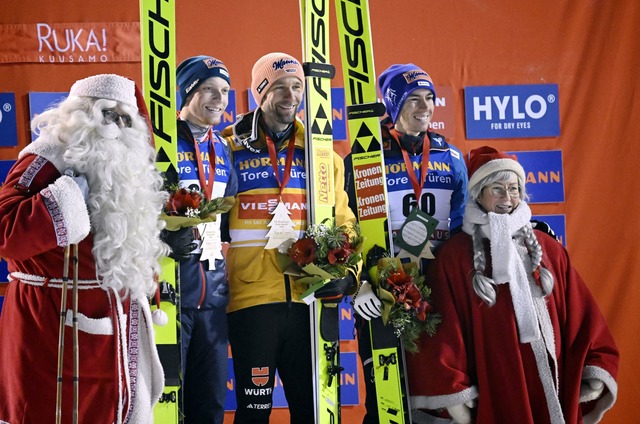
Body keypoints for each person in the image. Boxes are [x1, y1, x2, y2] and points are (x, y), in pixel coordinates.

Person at [407, 146, 619, 423]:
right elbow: (443, 333)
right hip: (495, 388)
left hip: (555, 388)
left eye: (514, 188)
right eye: (497, 189)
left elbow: (583, 317)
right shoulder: (454, 258)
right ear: (478, 194)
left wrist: (595, 367)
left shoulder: (549, 250)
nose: (507, 197)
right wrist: (454, 392)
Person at [0, 74, 167, 423]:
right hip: (50, 324)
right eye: (108, 115)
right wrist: (66, 198)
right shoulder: (46, 160)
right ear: (80, 115)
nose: (117, 127)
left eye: (126, 119)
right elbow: (6, 231)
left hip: (114, 322)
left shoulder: (128, 166)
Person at [221, 52, 359, 423]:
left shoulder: (320, 150)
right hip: (251, 298)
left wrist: (350, 272)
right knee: (253, 412)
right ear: (259, 93)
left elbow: (344, 221)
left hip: (308, 299)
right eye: (279, 87)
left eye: (297, 86)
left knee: (313, 410)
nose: (290, 95)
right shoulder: (227, 146)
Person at [347, 63, 468, 424]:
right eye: (414, 99)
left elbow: (466, 223)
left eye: (429, 98)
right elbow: (344, 225)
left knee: (442, 395)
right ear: (394, 105)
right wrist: (359, 282)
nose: (425, 107)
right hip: (385, 287)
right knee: (387, 396)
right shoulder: (366, 155)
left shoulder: (451, 157)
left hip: (439, 289)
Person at [160, 55, 238, 424]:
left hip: (213, 297)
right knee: (166, 401)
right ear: (187, 91)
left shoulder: (223, 149)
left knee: (209, 405)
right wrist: (162, 239)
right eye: (208, 89)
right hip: (170, 294)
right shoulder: (160, 143)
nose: (219, 99)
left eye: (224, 91)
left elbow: (224, 223)